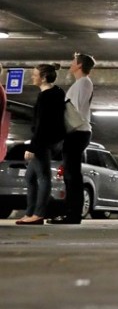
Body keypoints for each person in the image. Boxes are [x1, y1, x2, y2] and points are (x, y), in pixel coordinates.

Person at [50, 52, 95, 225]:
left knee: (72, 174)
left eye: (73, 61)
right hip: (78, 131)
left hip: (78, 131)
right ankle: (71, 212)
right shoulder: (80, 83)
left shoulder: (83, 83)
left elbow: (72, 110)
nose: (70, 63)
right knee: (70, 173)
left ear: (79, 65)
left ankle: (73, 213)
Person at [17, 64, 65, 225]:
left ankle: (38, 214)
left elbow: (42, 125)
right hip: (51, 141)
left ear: (43, 78)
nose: (33, 77)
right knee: (30, 177)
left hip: (43, 143)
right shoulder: (57, 92)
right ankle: (30, 212)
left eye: (35, 74)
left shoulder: (45, 97)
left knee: (43, 178)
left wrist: (32, 147)